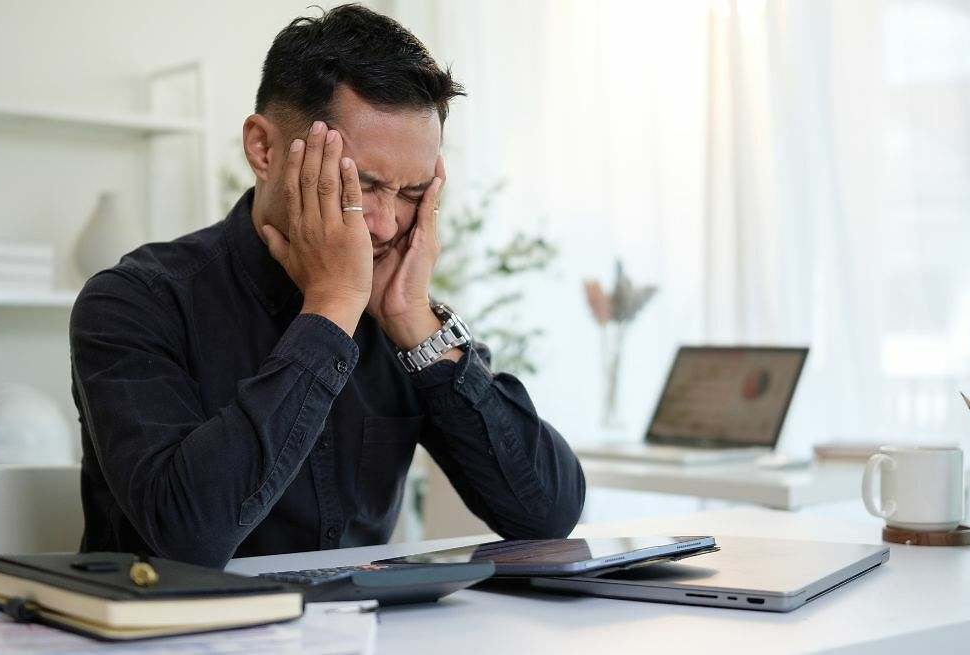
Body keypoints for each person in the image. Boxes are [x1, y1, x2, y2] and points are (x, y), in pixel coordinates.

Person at [69, 4, 585, 568]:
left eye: (412, 193)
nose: (384, 225)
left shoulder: (400, 314)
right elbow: (189, 536)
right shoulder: (135, 301)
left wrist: (414, 322)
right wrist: (332, 309)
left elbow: (546, 515)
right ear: (263, 149)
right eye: (360, 184)